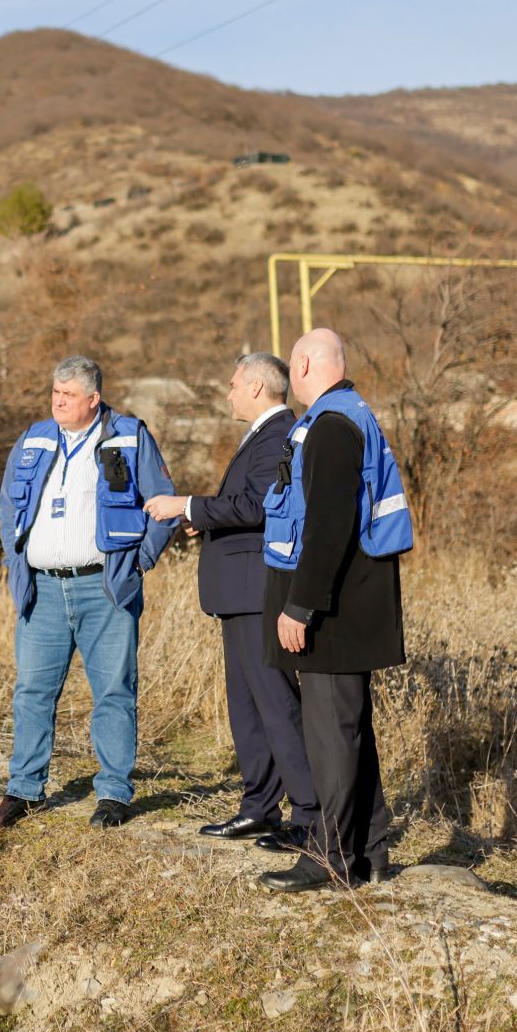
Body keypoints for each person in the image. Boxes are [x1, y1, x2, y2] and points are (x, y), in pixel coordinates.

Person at [0, 356, 177, 829]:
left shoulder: (129, 437)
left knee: (114, 692)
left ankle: (113, 793)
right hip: (43, 591)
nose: (58, 400)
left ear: (93, 399)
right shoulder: (34, 437)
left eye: (68, 394)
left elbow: (163, 506)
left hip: (105, 589)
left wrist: (138, 562)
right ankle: (25, 789)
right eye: (55, 391)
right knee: (33, 691)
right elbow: (9, 503)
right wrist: (17, 559)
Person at [143, 353, 317, 853]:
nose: (228, 393)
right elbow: (245, 507)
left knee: (276, 705)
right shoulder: (262, 434)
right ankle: (259, 807)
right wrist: (208, 519)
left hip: (257, 591)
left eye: (235, 384)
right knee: (247, 707)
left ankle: (308, 815)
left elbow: (258, 506)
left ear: (259, 388)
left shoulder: (279, 433)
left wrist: (188, 506)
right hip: (238, 593)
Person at [257, 328, 411, 893]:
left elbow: (327, 527)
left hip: (335, 613)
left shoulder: (330, 427)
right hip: (352, 607)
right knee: (349, 733)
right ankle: (371, 847)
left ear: (301, 366)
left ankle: (331, 858)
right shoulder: (349, 415)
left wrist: (299, 607)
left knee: (330, 736)